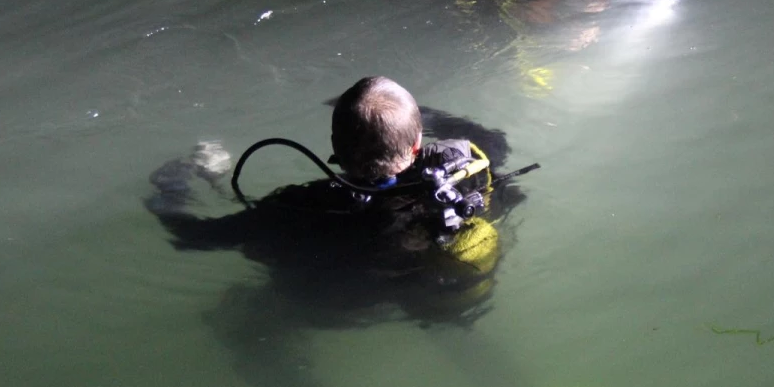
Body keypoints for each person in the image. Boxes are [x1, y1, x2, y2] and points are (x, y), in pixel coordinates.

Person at [145, 76, 522, 324]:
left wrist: (170, 185)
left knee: (238, 320)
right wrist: (419, 115)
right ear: (418, 144)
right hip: (437, 289)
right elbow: (491, 137)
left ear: (334, 146)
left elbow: (193, 235)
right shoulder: (469, 162)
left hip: (355, 307)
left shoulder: (301, 207)